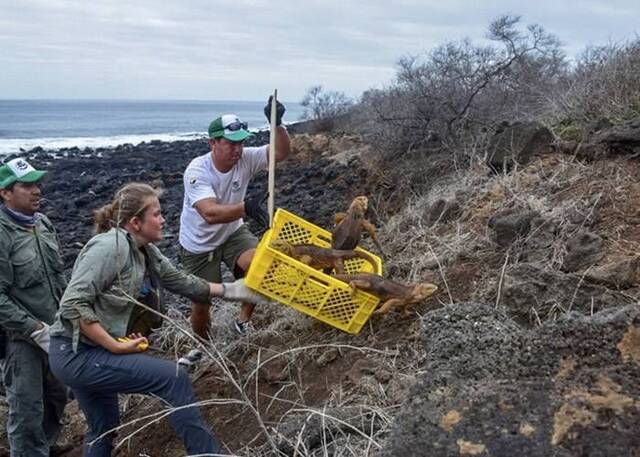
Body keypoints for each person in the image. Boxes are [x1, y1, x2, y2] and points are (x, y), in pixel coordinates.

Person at [48, 182, 269, 457]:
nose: (164, 219)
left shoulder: (146, 251)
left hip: (86, 351)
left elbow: (180, 281)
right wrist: (114, 346)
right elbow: (72, 304)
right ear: (135, 222)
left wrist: (235, 290)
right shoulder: (109, 247)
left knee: (103, 426)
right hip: (75, 353)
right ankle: (206, 453)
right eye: (157, 213)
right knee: (173, 378)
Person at [179, 97, 291, 337]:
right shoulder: (197, 171)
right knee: (202, 303)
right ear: (213, 143)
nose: (237, 149)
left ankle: (242, 321)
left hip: (232, 233)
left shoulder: (246, 158)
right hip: (198, 245)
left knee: (261, 268)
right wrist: (247, 207)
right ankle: (204, 346)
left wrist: (277, 123)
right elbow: (209, 213)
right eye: (231, 143)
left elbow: (281, 152)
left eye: (241, 142)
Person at [0, 158, 68, 457]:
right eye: (27, 186)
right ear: (5, 192)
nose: (37, 190)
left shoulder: (42, 223)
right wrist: (34, 329)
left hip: (55, 329)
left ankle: (45, 446)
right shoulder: (2, 234)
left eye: (38, 184)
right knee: (26, 408)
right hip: (20, 339)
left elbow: (58, 277)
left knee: (58, 397)